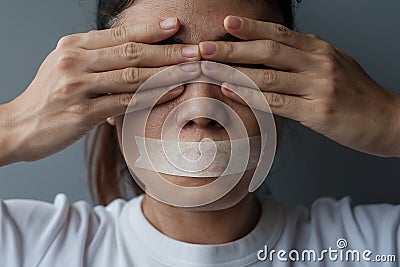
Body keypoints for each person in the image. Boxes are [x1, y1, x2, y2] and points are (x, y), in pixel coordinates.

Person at [0, 0, 399, 266]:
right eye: (157, 66)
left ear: (295, 91)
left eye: (241, 65)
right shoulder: (26, 246)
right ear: (103, 90)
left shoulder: (374, 246)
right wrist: (15, 124)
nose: (200, 110)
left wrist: (391, 121)